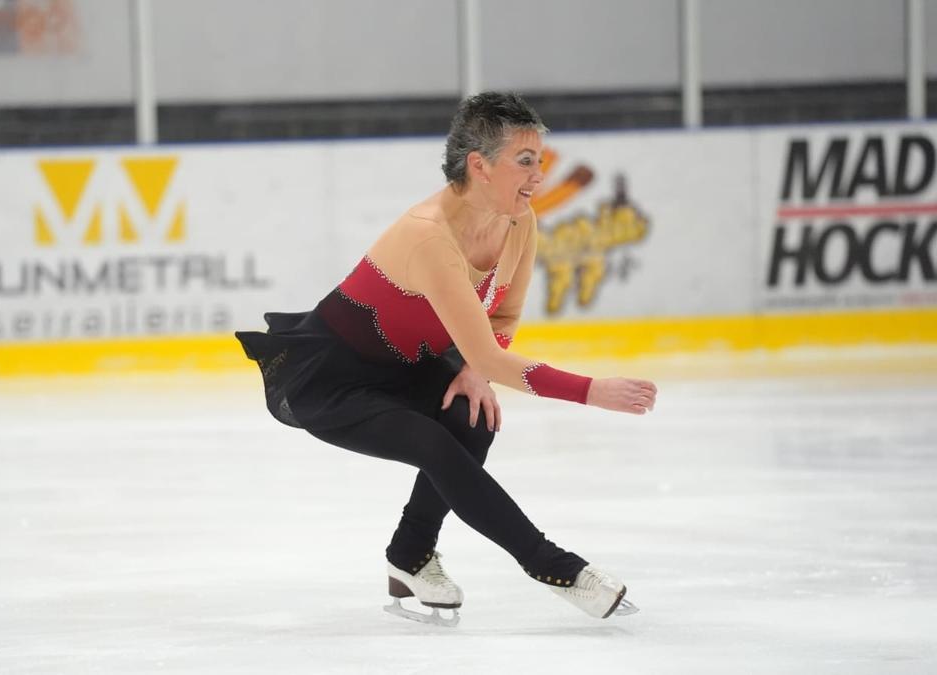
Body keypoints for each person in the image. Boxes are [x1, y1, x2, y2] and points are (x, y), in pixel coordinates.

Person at [235, 92, 656, 627]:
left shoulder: (518, 223)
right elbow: (486, 352)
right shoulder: (427, 236)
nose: (539, 176)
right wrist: (590, 390)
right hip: (334, 378)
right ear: (479, 166)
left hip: (408, 366)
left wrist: (474, 372)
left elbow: (500, 323)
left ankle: (409, 555)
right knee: (433, 441)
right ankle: (555, 567)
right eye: (525, 161)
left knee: (472, 419)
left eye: (540, 161)